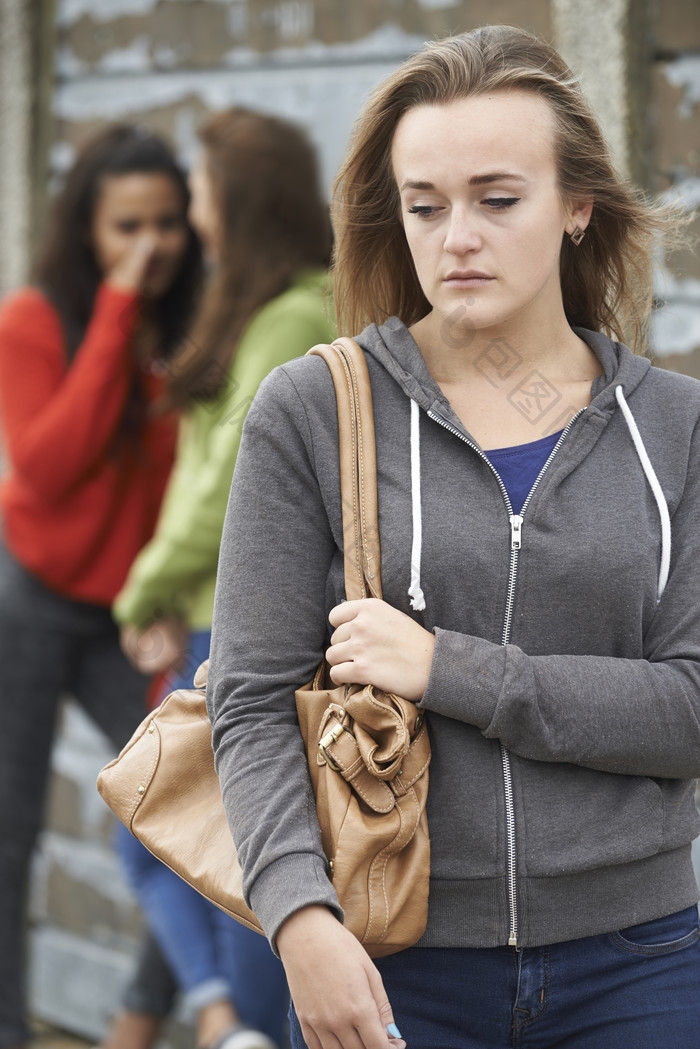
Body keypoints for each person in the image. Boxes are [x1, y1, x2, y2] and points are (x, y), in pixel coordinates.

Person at [205, 24, 700, 1049]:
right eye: (424, 206)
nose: (455, 237)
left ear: (576, 206)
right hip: (391, 961)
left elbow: (690, 705)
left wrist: (449, 668)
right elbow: (249, 699)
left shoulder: (675, 429)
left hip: (640, 965)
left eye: (496, 199)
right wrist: (300, 918)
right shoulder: (312, 410)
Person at [112, 107, 336, 1049]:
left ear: (237, 199)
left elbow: (226, 493)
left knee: (233, 851)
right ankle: (223, 1015)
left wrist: (141, 590)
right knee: (167, 830)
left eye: (200, 189)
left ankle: (239, 1021)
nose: (192, 207)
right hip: (206, 616)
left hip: (243, 629)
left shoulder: (295, 316)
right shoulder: (261, 303)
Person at [0, 125, 202, 1049]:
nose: (150, 246)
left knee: (197, 807)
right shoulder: (36, 321)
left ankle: (144, 1018)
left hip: (131, 616)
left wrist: (161, 595)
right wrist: (117, 309)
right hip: (32, 597)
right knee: (9, 835)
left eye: (167, 225)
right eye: (128, 227)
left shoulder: (198, 322)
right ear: (88, 229)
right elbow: (47, 467)